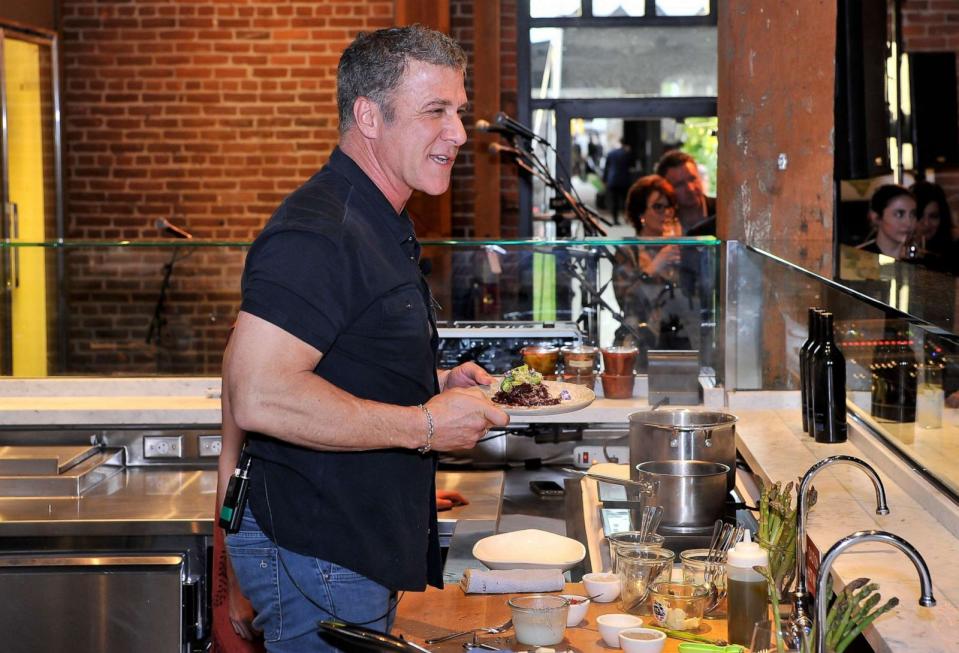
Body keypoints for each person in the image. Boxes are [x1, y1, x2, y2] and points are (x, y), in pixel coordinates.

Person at [222, 25, 509, 652]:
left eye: (458, 112)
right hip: (319, 547)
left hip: (346, 544)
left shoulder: (379, 219)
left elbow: (304, 363)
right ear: (368, 116)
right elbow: (258, 394)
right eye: (436, 111)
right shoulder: (321, 231)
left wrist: (432, 386)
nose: (459, 134)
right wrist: (426, 426)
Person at [612, 175, 699, 368]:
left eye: (670, 207)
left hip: (680, 341)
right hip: (641, 342)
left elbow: (696, 296)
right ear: (641, 213)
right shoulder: (629, 251)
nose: (666, 213)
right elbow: (627, 303)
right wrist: (653, 268)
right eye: (658, 207)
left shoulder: (678, 248)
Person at [655, 149, 715, 236]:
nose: (690, 188)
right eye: (679, 184)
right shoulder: (662, 221)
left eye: (693, 179)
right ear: (665, 189)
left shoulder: (721, 212)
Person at [857, 184, 917, 260]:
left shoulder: (921, 261)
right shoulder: (859, 258)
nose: (908, 223)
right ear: (876, 217)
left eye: (913, 215)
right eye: (899, 214)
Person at [910, 180, 955, 273]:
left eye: (933, 216)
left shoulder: (953, 252)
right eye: (920, 216)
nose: (926, 223)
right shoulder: (897, 251)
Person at [603, 140, 635, 224]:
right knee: (625, 200)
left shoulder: (611, 153)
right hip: (624, 180)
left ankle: (615, 219)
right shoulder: (626, 154)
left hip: (613, 180)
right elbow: (631, 166)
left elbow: (606, 167)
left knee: (614, 201)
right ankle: (627, 218)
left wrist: (604, 179)